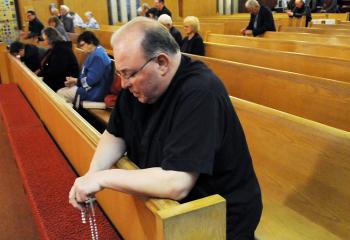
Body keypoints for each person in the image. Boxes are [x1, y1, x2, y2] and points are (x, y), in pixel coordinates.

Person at [68, 17, 262, 240]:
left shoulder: (201, 91)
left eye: (129, 74)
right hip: (168, 209)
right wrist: (92, 174)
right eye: (120, 73)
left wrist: (104, 178)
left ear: (161, 63)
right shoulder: (139, 84)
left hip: (217, 217)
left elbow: (177, 182)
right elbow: (114, 134)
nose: (123, 83)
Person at [57, 31, 112, 103]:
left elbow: (90, 81)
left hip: (94, 92)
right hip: (90, 88)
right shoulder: (95, 52)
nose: (82, 48)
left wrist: (77, 81)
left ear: (91, 42)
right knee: (61, 91)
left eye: (83, 45)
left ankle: (70, 114)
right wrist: (75, 81)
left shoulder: (98, 56)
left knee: (60, 94)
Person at [38, 27, 79, 92]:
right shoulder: (53, 48)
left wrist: (43, 77)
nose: (43, 41)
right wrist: (39, 74)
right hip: (57, 77)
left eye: (44, 39)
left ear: (50, 39)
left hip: (66, 80)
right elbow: (45, 64)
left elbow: (56, 70)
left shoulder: (62, 49)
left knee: (39, 86)